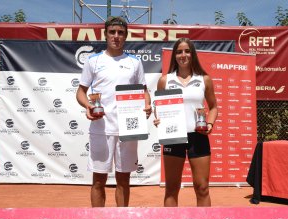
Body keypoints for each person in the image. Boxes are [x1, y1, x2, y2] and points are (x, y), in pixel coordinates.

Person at [76, 16, 152, 207]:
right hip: (101, 127)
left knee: (124, 179)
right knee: (98, 181)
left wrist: (147, 105)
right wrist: (88, 106)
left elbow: (144, 92)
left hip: (128, 129)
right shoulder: (94, 61)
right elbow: (81, 92)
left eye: (120, 33)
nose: (116, 36)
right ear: (105, 34)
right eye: (112, 32)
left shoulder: (134, 63)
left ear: (125, 36)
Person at [154, 37, 218, 207]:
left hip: (198, 136)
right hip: (173, 137)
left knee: (202, 187)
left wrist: (209, 125)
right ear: (175, 55)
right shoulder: (165, 80)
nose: (183, 55)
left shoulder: (204, 79)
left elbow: (213, 107)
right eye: (179, 51)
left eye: (187, 51)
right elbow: (158, 107)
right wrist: (158, 118)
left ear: (193, 54)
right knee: (172, 188)